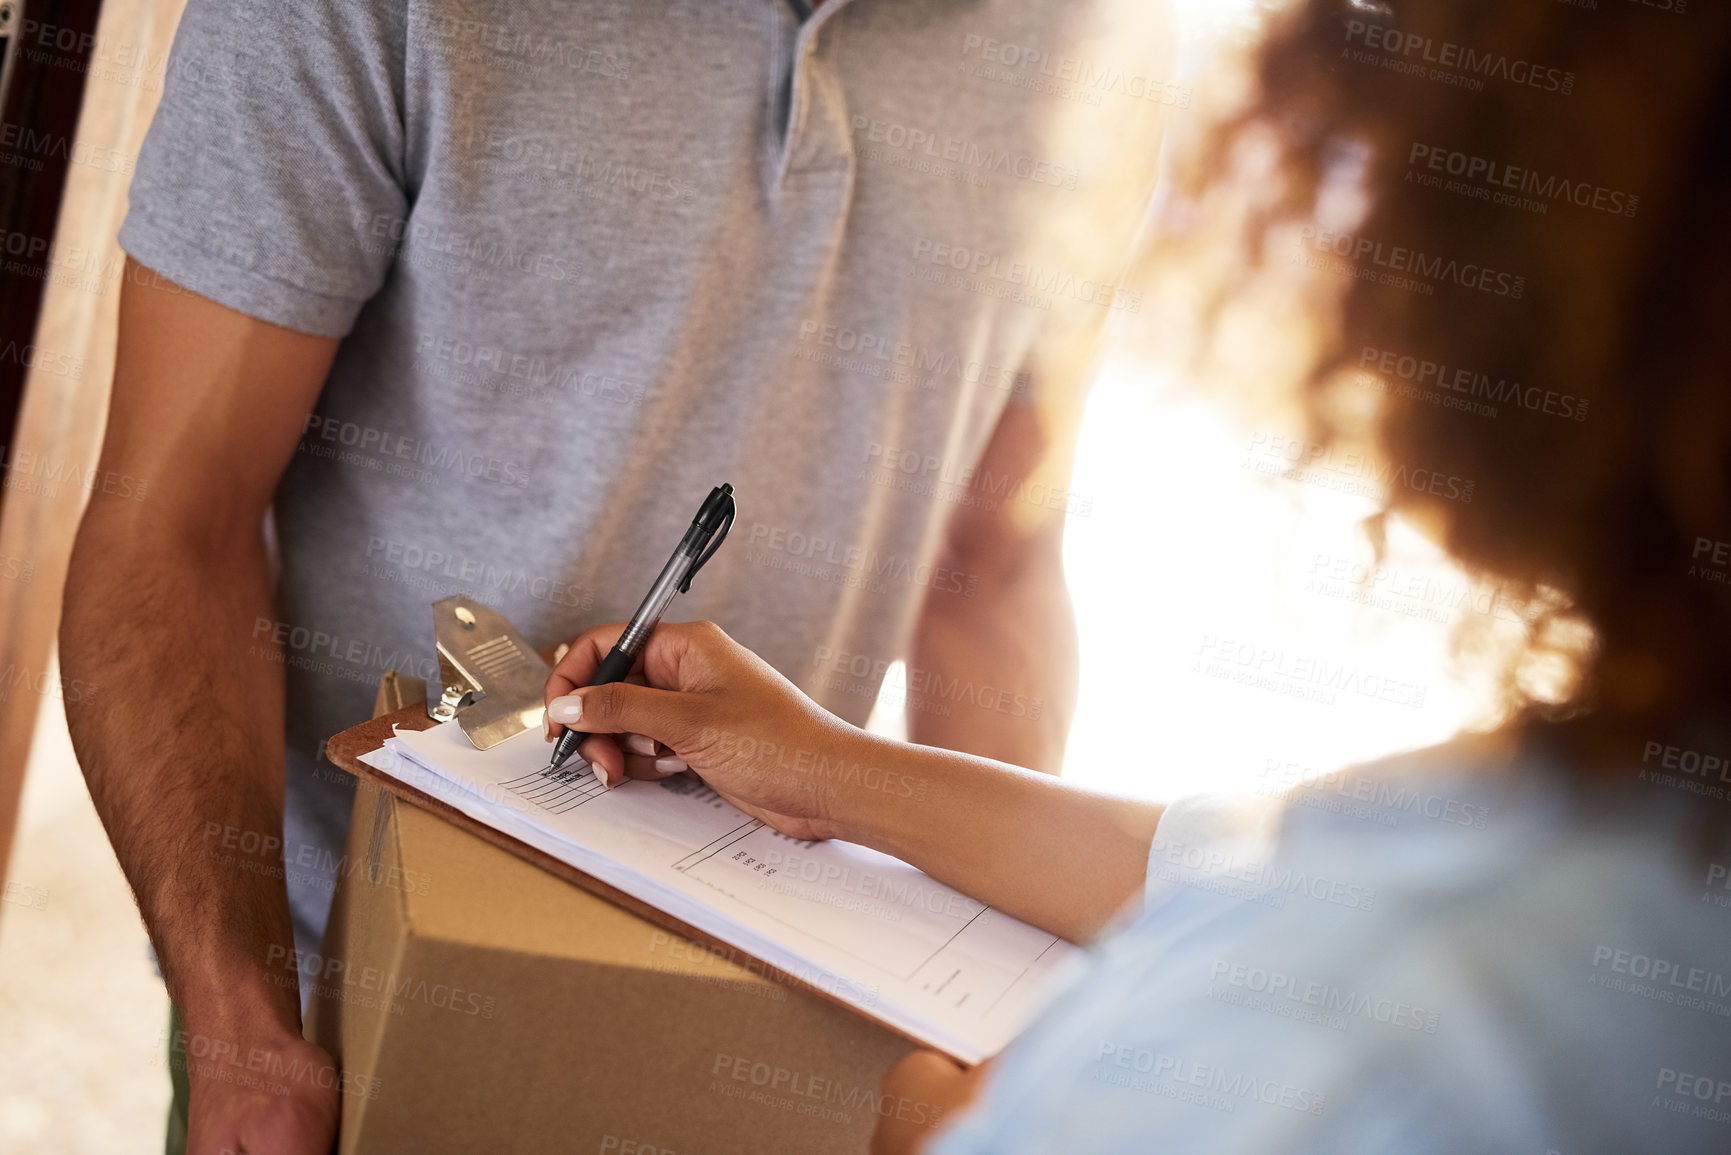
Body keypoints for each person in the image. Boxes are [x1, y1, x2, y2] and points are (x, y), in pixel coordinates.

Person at [542, 0, 1731, 1151]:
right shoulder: (1626, 786)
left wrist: (932, 1124)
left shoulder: (1363, 1031)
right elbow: (1196, 859)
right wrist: (823, 770)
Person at [58, 1, 1181, 1151]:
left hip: (789, 1037)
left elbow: (993, 572)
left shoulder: (1098, 44)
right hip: (355, 1010)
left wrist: (979, 1001)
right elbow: (172, 520)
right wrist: (239, 1026)